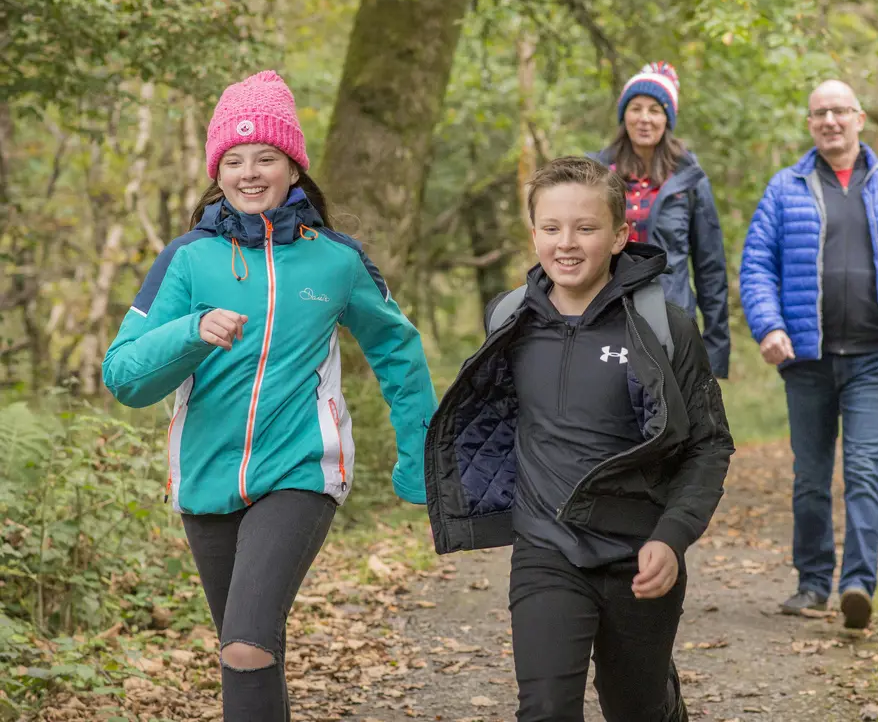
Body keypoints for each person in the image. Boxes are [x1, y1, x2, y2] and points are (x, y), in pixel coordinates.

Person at [103, 70, 437, 721]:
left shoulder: (337, 261)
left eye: (266, 157)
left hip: (301, 469)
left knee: (249, 644)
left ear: (292, 166)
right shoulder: (187, 259)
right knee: (244, 649)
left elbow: (397, 349)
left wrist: (418, 453)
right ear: (217, 169)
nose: (250, 172)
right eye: (234, 159)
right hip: (206, 478)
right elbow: (125, 378)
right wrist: (191, 334)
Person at [424, 156, 734, 721]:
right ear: (534, 232)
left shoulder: (665, 328)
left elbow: (708, 445)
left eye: (585, 228)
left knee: (636, 708)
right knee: (545, 708)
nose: (566, 243)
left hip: (639, 553)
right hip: (546, 549)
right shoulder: (510, 321)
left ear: (620, 236)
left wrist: (671, 537)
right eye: (551, 227)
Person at [739, 79, 878, 630]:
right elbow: (757, 264)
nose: (829, 120)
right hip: (806, 359)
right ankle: (811, 584)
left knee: (862, 470)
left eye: (839, 111)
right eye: (819, 113)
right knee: (810, 476)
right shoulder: (785, 188)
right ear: (810, 125)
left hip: (875, 360)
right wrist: (769, 327)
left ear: (859, 117)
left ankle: (857, 584)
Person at [589, 61, 731, 378]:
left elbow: (710, 267)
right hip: (606, 313)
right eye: (635, 108)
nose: (644, 118)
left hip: (670, 317)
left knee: (668, 417)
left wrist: (716, 349)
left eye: (655, 109)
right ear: (623, 115)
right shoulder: (595, 173)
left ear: (668, 118)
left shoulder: (689, 179)